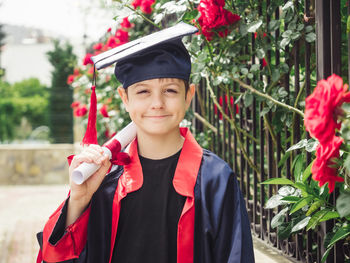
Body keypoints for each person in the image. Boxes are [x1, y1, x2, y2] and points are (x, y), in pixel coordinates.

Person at [36, 29, 255, 263]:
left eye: (170, 90)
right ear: (125, 98)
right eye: (143, 92)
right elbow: (55, 257)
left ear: (188, 96)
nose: (157, 103)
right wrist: (78, 201)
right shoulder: (105, 180)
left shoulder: (214, 179)